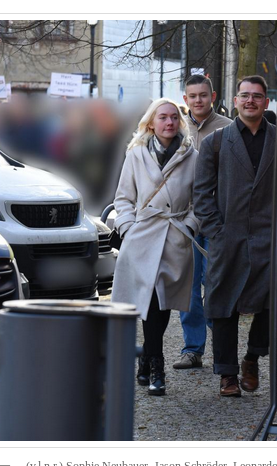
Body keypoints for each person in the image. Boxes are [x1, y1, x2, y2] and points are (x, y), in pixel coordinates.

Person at [193, 75, 277, 397]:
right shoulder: (216, 142)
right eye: (245, 95)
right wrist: (217, 233)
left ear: (266, 102)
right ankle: (227, 374)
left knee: (271, 302)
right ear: (235, 101)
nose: (250, 100)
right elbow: (201, 194)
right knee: (223, 305)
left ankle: (252, 358)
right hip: (228, 237)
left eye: (257, 96)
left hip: (269, 237)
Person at [111, 98, 199, 396]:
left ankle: (147, 359)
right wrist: (127, 227)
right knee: (149, 300)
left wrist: (190, 226)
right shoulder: (136, 153)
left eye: (174, 117)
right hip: (142, 237)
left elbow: (201, 199)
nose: (169, 122)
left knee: (162, 302)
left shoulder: (192, 156)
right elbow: (123, 197)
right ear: (150, 123)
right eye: (163, 117)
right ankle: (156, 367)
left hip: (174, 237)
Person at [172, 74, 231, 370]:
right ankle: (192, 348)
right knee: (189, 287)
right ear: (185, 99)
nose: (198, 100)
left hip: (218, 218)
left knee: (217, 283)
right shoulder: (176, 128)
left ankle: (221, 343)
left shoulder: (228, 129)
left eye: (203, 95)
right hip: (186, 219)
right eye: (192, 96)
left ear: (213, 96)